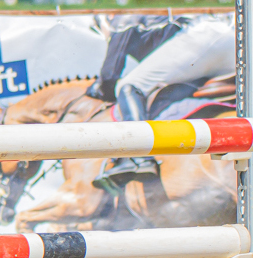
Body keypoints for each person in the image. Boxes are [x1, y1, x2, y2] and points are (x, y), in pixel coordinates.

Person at [92, 15, 235, 192]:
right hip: (232, 41)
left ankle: (139, 158)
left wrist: (98, 90)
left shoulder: (119, 21)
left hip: (205, 36)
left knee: (128, 86)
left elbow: (110, 76)